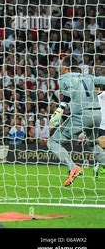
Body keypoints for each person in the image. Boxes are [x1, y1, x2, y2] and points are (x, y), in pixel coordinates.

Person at [47, 56, 105, 186]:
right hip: (96, 115)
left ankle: (72, 167)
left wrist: (59, 111)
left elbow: (68, 93)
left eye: (61, 65)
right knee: (91, 143)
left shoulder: (64, 78)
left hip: (81, 115)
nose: (60, 68)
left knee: (53, 142)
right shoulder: (89, 77)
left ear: (66, 67)